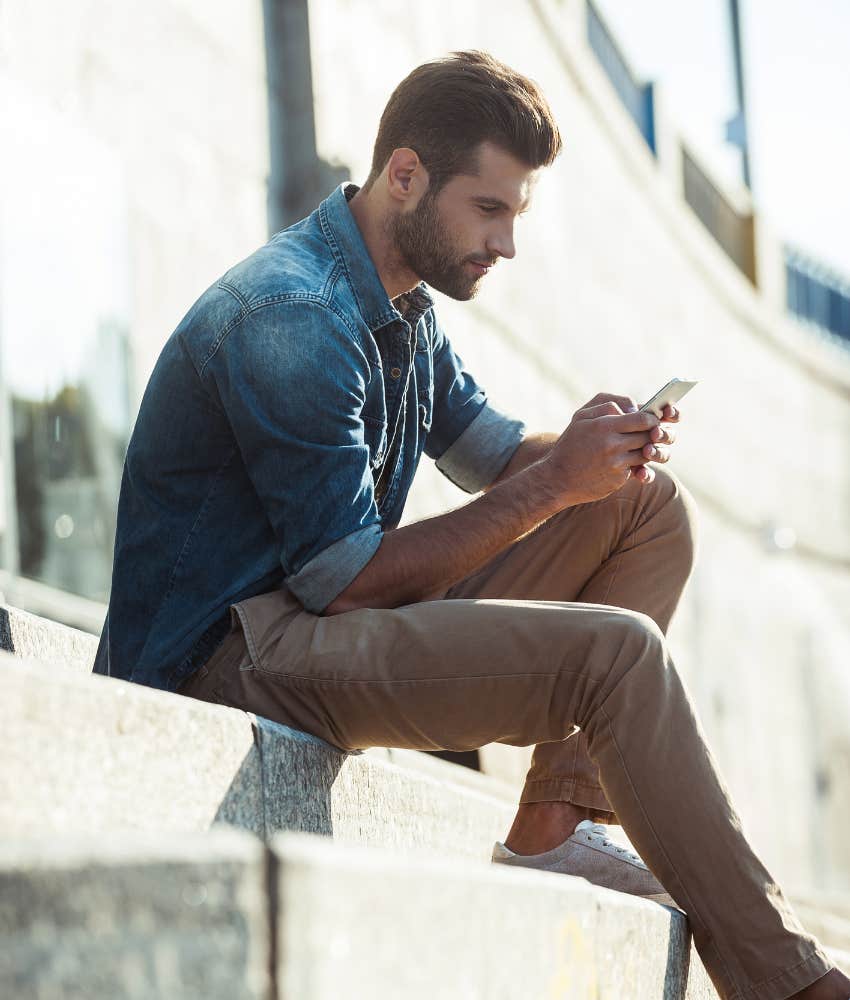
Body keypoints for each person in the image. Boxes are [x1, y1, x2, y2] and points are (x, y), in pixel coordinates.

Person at [94, 50, 848, 1000]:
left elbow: (493, 452)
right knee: (617, 657)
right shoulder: (292, 315)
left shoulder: (400, 303)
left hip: (313, 619)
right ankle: (795, 985)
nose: (507, 244)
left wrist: (595, 448)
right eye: (489, 211)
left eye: (515, 215)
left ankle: (551, 833)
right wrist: (553, 486)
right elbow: (348, 580)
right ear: (405, 174)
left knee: (644, 506)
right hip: (225, 661)